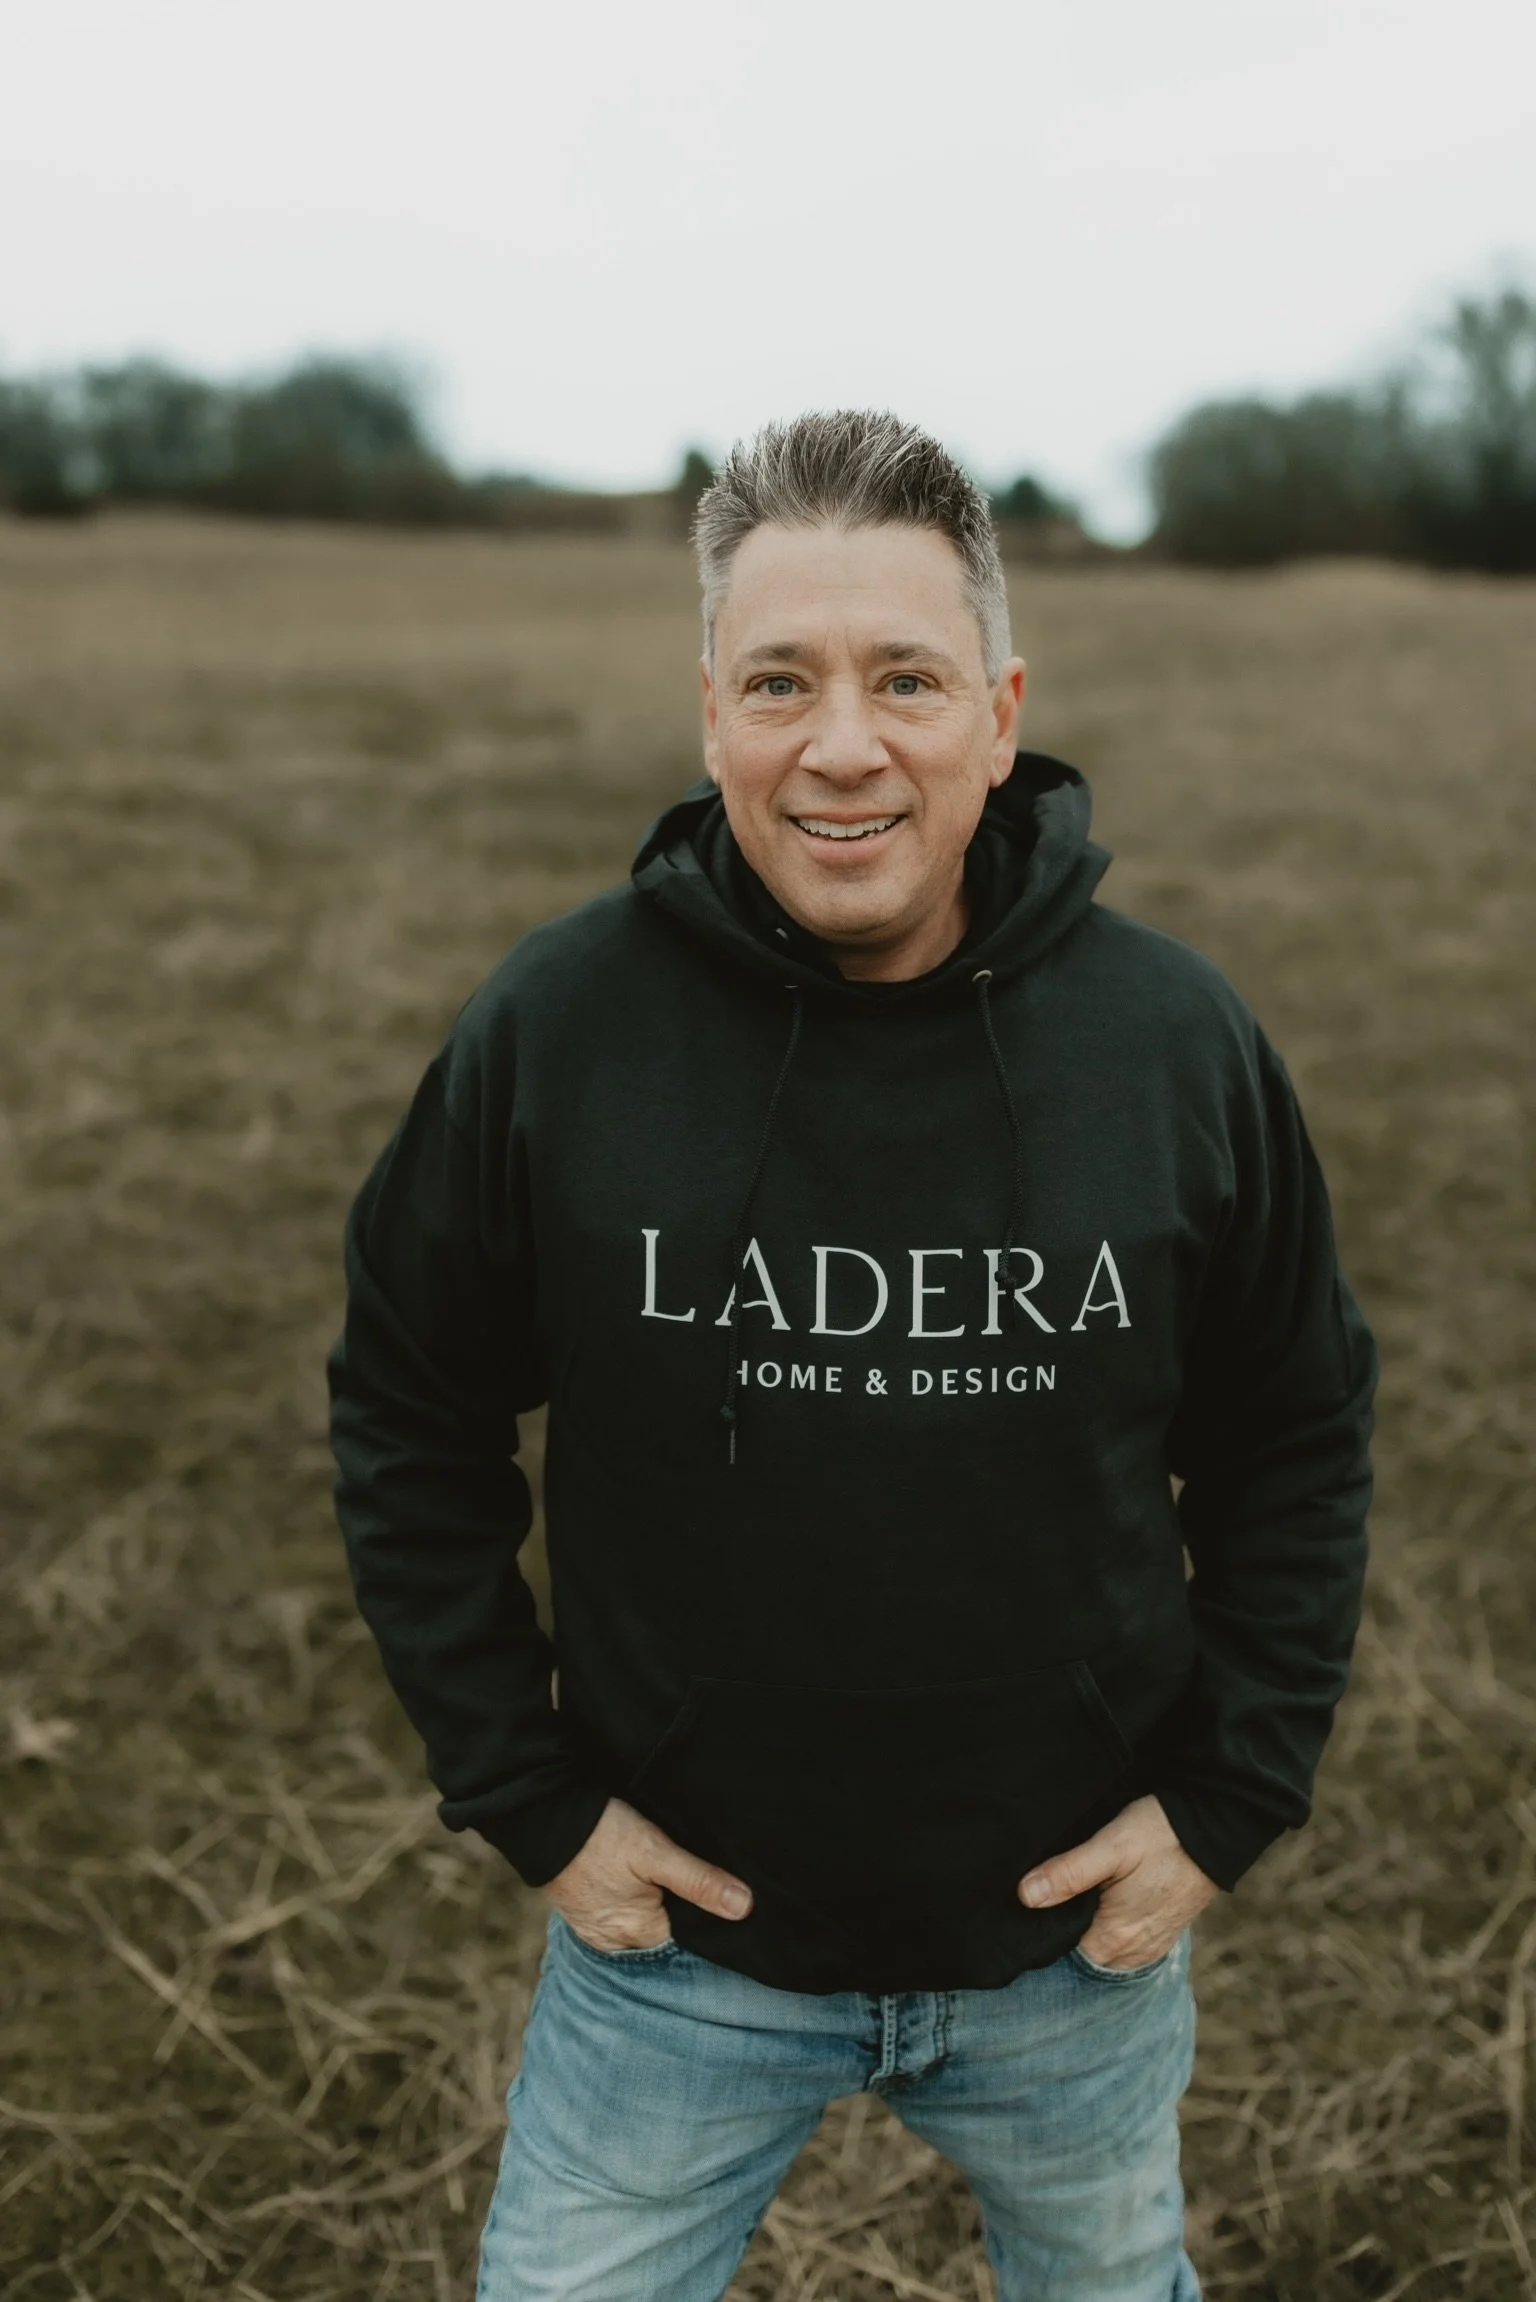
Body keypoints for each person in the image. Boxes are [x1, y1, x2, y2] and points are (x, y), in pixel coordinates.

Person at [327, 410, 1376, 2301]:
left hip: (1077, 1953)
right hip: (676, 1960)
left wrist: (1232, 1797)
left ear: (1000, 707)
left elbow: (1296, 1428)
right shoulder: (557, 1033)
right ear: (708, 709)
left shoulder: (1175, 1045)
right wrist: (531, 1797)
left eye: (906, 678)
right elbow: (410, 1406)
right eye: (780, 681)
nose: (841, 744)